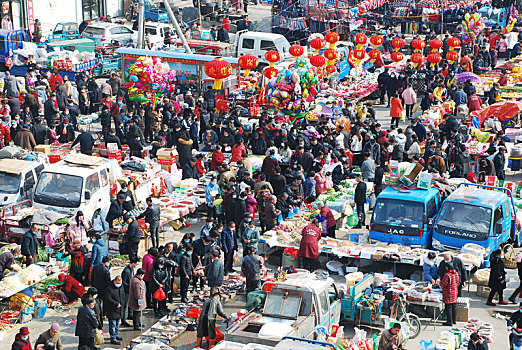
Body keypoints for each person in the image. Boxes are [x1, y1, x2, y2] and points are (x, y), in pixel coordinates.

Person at [105, 276, 125, 345]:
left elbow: (123, 295)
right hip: (112, 310)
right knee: (112, 324)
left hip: (119, 310)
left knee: (117, 324)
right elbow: (108, 298)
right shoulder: (109, 288)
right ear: (115, 281)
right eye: (118, 283)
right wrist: (116, 304)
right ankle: (113, 337)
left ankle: (116, 335)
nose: (119, 284)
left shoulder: (121, 287)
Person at [121, 256, 138, 327]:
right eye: (136, 264)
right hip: (125, 291)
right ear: (133, 263)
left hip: (130, 290)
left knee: (130, 303)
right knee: (124, 306)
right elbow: (124, 282)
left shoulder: (131, 270)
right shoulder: (126, 271)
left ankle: (130, 315)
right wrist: (130, 286)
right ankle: (123, 320)